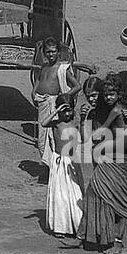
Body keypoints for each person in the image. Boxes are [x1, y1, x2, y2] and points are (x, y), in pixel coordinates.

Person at [78, 74, 127, 254]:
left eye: (110, 94)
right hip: (104, 159)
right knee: (97, 196)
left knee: (115, 201)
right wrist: (83, 120)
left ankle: (117, 241)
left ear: (119, 94)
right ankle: (99, 235)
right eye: (104, 95)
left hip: (117, 161)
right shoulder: (101, 112)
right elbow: (88, 137)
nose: (105, 98)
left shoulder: (121, 112)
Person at [31, 38, 95, 168]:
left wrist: (63, 99)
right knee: (42, 137)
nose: (50, 54)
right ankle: (48, 166)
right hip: (43, 104)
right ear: (44, 53)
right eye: (48, 52)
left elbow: (77, 86)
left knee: (53, 137)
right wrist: (34, 92)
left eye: (53, 52)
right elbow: (39, 79)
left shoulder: (62, 69)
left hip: (54, 106)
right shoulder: (44, 67)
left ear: (58, 52)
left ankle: (55, 167)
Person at [43, 95, 84, 242]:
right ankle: (61, 227)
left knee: (75, 193)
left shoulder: (76, 123)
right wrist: (56, 111)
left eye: (69, 110)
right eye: (64, 111)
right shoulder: (56, 123)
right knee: (60, 194)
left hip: (72, 161)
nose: (67, 114)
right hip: (59, 161)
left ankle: (76, 225)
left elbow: (84, 137)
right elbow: (43, 123)